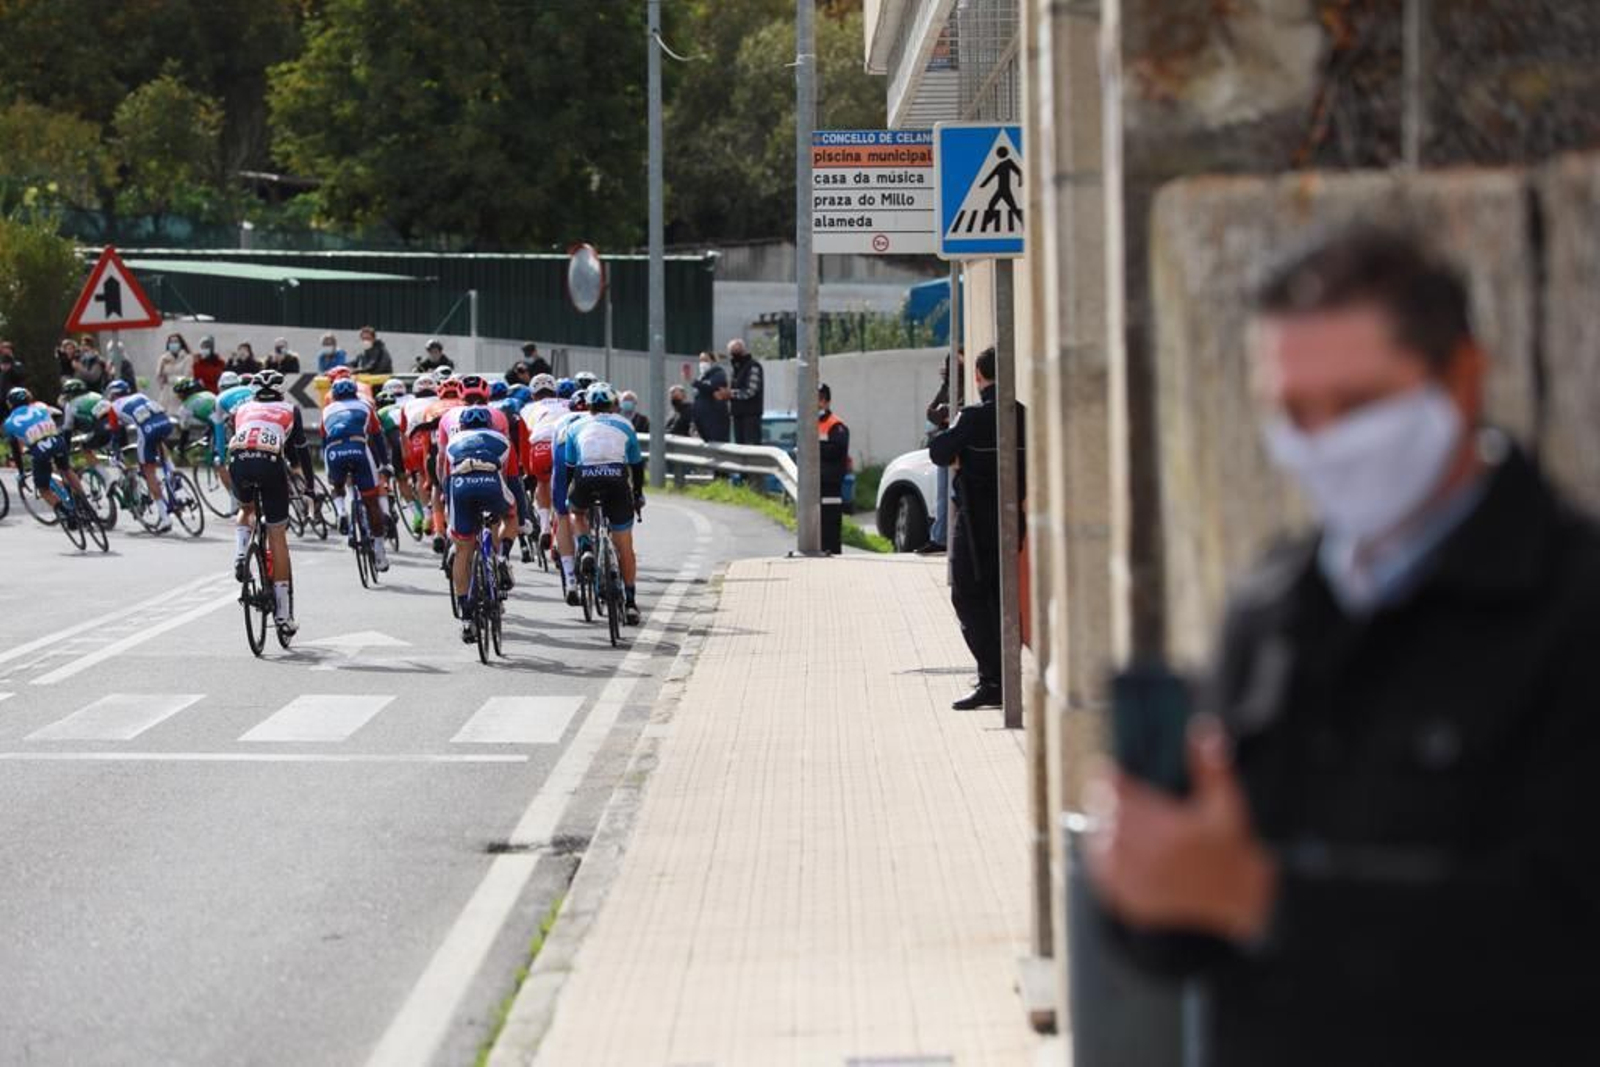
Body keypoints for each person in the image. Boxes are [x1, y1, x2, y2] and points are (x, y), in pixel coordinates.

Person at [1086, 226, 1600, 1067]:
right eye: (1292, 411)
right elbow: (1194, 939)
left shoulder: (1574, 609)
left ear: (1462, 381)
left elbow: (1564, 945)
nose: (1323, 441)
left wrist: (1260, 897)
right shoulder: (1274, 605)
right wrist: (1145, 881)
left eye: (1358, 404)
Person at [928, 346, 1026, 710]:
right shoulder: (1022, 415)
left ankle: (993, 678)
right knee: (1003, 596)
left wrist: (959, 447)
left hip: (974, 522)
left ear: (978, 377)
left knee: (968, 595)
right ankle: (1005, 675)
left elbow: (938, 453)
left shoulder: (972, 418)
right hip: (1013, 519)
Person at [226, 370, 315, 635]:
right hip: (270, 463)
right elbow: (300, 451)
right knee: (277, 534)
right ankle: (283, 616)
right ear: (281, 391)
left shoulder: (241, 409)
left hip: (239, 460)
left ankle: (241, 554)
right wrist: (308, 487)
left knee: (246, 509)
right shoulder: (290, 409)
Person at [437, 380, 523, 640]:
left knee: (462, 549)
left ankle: (465, 615)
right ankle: (502, 557)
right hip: (491, 485)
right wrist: (521, 512)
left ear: (461, 425)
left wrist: (445, 499)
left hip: (460, 487)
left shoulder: (453, 441)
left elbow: (444, 475)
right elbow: (512, 479)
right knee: (511, 515)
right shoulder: (502, 439)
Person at [563, 382, 645, 625]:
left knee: (576, 512)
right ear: (614, 405)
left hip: (585, 475)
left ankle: (586, 545)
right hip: (617, 477)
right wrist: (638, 494)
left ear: (588, 407)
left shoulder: (575, 426)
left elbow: (570, 468)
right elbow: (637, 466)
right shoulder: (625, 424)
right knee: (625, 546)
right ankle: (630, 603)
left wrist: (572, 494)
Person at [322, 377, 391, 572]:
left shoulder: (327, 410)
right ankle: (379, 552)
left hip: (333, 452)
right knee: (372, 502)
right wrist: (384, 464)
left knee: (336, 485)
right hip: (358, 448)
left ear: (334, 395)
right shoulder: (365, 406)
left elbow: (324, 440)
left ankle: (341, 511)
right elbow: (377, 437)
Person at [99, 380, 179, 532]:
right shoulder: (140, 396)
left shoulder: (113, 408)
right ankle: (173, 472)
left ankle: (164, 518)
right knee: (158, 442)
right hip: (165, 423)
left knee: (148, 471)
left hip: (147, 430)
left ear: (113, 395)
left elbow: (117, 434)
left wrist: (115, 453)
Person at [3, 387, 86, 522]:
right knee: (67, 470)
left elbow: (16, 451)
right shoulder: (40, 407)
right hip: (57, 441)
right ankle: (84, 502)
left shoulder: (9, 422)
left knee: (43, 489)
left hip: (40, 450)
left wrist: (21, 471)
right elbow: (58, 416)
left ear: (10, 404)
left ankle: (68, 514)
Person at [921, 353, 960, 554]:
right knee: (943, 494)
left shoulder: (963, 385)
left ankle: (943, 537)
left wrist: (947, 414)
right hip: (944, 442)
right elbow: (931, 412)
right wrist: (944, 414)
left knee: (951, 494)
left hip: (957, 444)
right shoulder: (947, 386)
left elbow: (957, 414)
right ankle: (940, 537)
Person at [817, 384, 850, 555]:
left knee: (830, 522)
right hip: (815, 482)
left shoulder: (836, 425)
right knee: (817, 522)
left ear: (827, 401)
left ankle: (832, 553)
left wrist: (815, 447)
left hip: (830, 482)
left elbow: (836, 450)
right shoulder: (809, 424)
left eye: (820, 399)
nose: (817, 404)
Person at [721, 338, 764, 445]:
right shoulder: (736, 368)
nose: (733, 356)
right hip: (738, 415)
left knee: (751, 448)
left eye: (736, 352)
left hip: (750, 416)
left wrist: (730, 393)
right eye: (732, 353)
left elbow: (751, 391)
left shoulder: (753, 366)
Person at [691, 351, 730, 443]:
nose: (702, 363)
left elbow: (712, 386)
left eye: (705, 360)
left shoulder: (718, 373)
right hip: (702, 421)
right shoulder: (701, 377)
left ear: (712, 361)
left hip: (714, 420)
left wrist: (694, 382)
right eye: (700, 360)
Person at [155, 332, 193, 412]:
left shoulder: (187, 358)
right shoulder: (164, 358)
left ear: (181, 344)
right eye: (171, 342)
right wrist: (161, 367)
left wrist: (170, 379)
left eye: (176, 342)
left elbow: (187, 379)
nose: (173, 344)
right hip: (165, 398)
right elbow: (160, 380)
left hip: (179, 398)